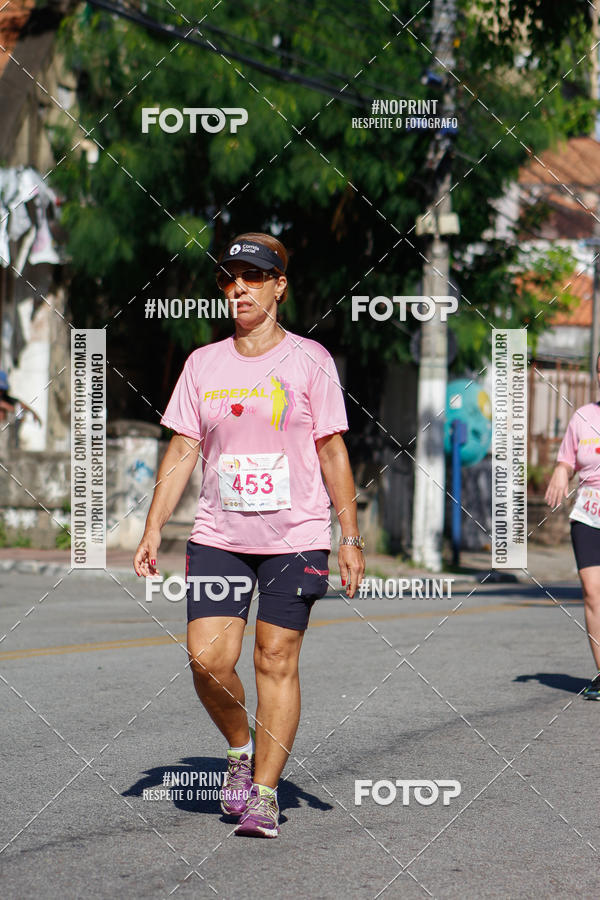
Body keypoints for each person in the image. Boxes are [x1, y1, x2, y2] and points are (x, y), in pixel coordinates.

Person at [134, 232, 366, 836]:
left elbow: (332, 450)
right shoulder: (203, 364)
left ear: (279, 286)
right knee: (207, 660)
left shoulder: (311, 359)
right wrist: (153, 526)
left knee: (275, 658)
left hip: (297, 536)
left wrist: (350, 535)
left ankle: (264, 793)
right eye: (229, 278)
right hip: (219, 534)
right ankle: (240, 747)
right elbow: (183, 448)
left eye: (254, 276)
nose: (239, 287)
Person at [545, 352, 600, 700]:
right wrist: (560, 472)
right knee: (593, 591)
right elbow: (567, 459)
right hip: (589, 514)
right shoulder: (583, 417)